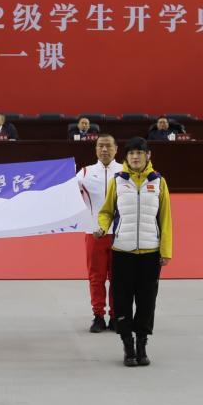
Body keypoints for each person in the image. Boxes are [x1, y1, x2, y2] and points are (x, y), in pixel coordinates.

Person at [95, 137, 173, 367]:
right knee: (122, 299)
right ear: (126, 157)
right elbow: (106, 211)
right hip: (122, 251)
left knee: (147, 301)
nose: (135, 157)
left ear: (148, 155)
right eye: (131, 154)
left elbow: (165, 219)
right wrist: (102, 227)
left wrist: (166, 251)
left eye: (139, 153)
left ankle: (142, 344)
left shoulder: (158, 181)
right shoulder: (118, 181)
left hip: (150, 253)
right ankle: (127, 345)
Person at [78, 134, 122, 332]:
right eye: (101, 146)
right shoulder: (84, 173)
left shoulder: (125, 171)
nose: (104, 150)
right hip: (94, 232)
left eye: (108, 146)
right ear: (95, 149)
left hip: (120, 234)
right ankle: (98, 316)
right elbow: (66, 193)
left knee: (118, 278)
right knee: (96, 277)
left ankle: (115, 317)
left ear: (116, 149)